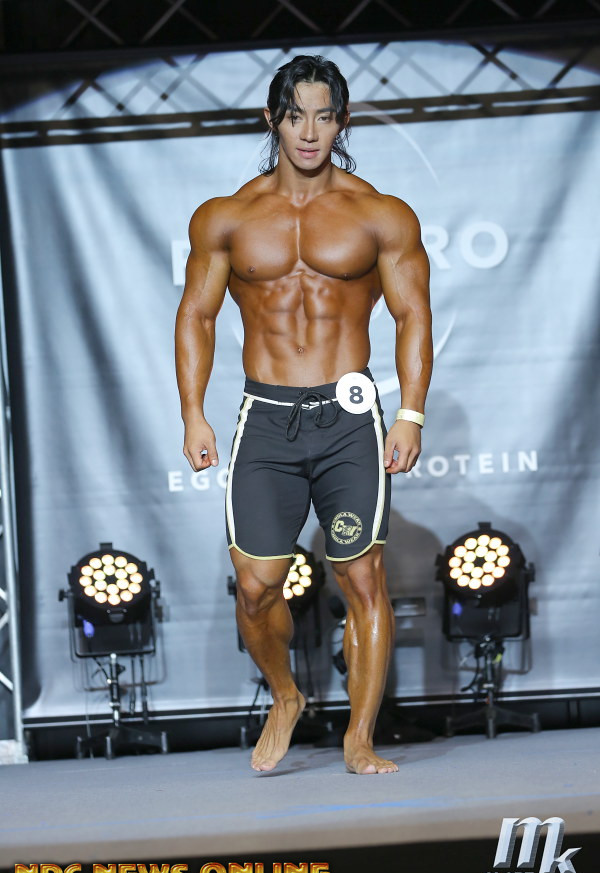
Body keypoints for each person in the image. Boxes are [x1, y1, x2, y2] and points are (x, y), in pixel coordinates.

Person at [175, 55, 433, 774]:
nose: (310, 132)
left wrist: (410, 413)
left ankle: (359, 738)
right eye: (296, 116)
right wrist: (193, 413)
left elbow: (413, 315)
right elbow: (196, 316)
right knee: (256, 586)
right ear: (273, 119)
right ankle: (285, 695)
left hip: (348, 417)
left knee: (362, 578)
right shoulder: (226, 217)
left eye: (324, 116)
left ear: (342, 121)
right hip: (267, 416)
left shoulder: (381, 214)